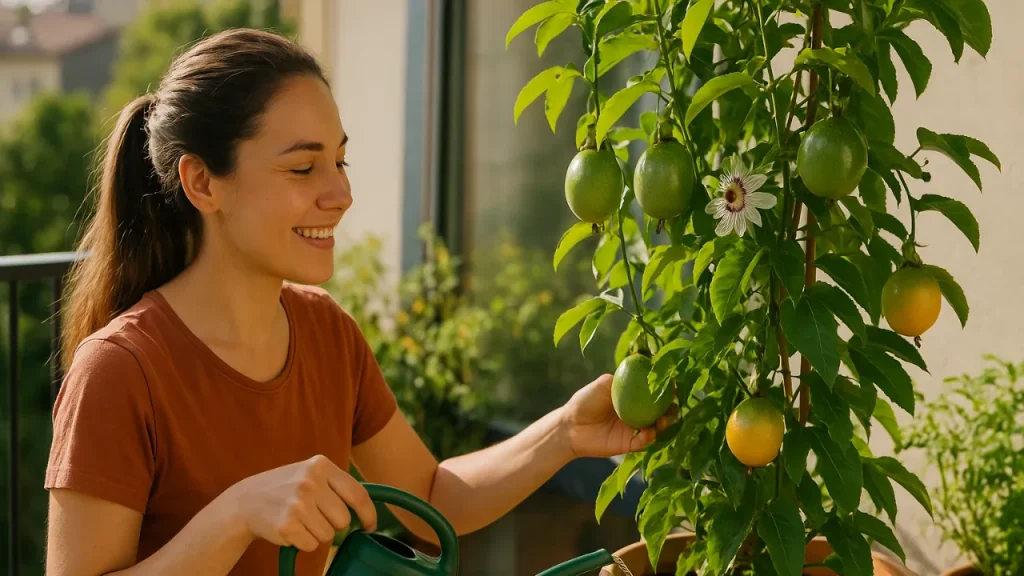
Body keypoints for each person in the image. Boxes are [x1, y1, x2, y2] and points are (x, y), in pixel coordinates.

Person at [44, 28, 675, 576]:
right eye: (303, 168)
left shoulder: (325, 333)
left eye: (341, 161)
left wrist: (564, 432)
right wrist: (235, 515)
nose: (340, 194)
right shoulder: (121, 370)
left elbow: (428, 497)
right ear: (203, 183)